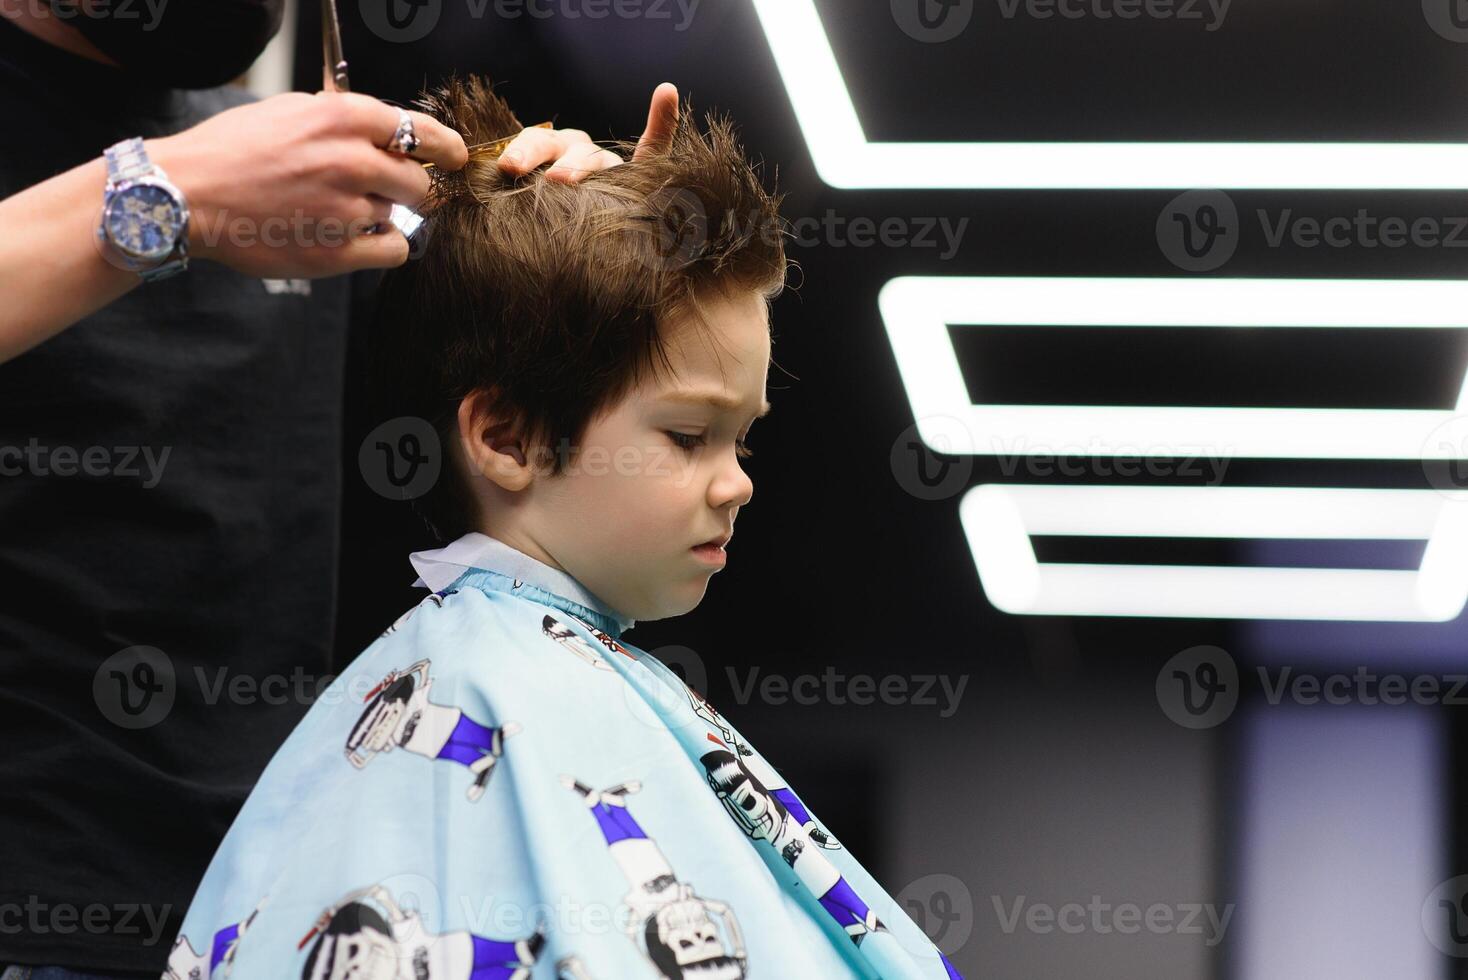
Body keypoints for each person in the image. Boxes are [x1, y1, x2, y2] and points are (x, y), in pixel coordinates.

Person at [162, 74, 964, 980]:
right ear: (507, 438)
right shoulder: (485, 697)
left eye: (742, 439)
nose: (736, 483)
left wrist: (618, 238)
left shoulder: (548, 679)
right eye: (690, 436)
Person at [0, 4, 678, 977]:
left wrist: (606, 279)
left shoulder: (296, 179)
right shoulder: (220, 164)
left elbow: (540, 509)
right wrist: (164, 191)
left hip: (266, 919)